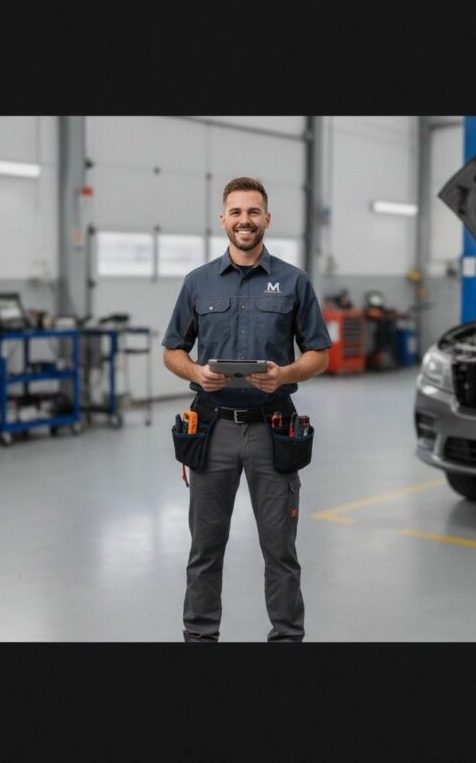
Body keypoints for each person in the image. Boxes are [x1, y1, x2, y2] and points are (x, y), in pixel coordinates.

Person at [162, 176, 332, 642]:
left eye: (253, 212)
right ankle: (199, 640)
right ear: (223, 220)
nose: (244, 220)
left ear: (267, 219)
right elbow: (172, 350)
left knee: (280, 551)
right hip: (212, 430)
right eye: (236, 212)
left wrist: (284, 375)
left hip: (272, 429)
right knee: (205, 549)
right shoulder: (197, 283)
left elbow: (319, 353)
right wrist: (196, 373)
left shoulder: (294, 282)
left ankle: (286, 639)